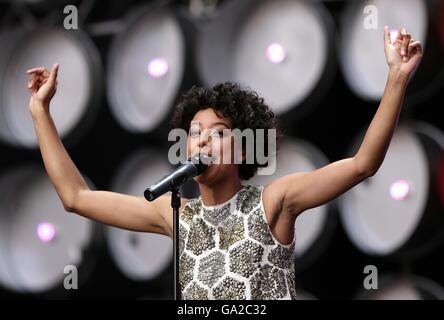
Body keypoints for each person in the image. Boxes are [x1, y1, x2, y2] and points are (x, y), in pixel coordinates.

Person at [26, 26, 422, 299]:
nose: (203, 140)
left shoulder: (274, 201)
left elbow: (362, 165)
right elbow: (75, 197)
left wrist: (397, 78)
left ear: (244, 149)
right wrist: (40, 111)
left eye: (218, 132)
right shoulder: (176, 215)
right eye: (195, 133)